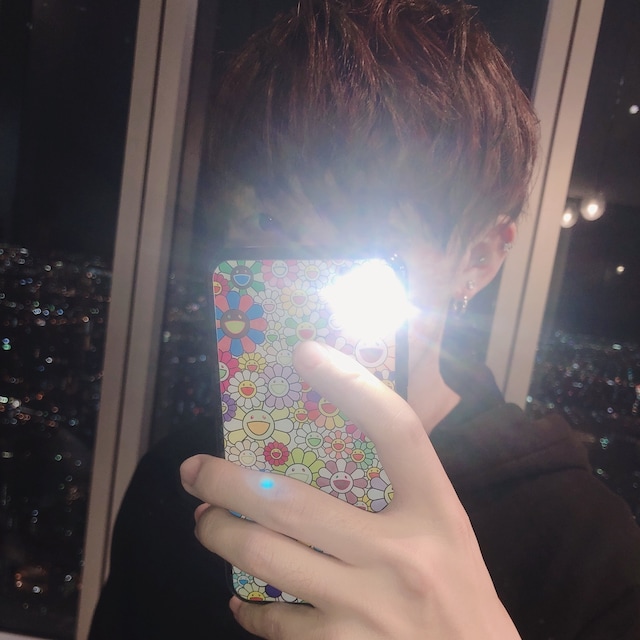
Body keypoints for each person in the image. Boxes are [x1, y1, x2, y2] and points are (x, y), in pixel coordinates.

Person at [89, 1, 640, 639]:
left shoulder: (590, 554)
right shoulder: (181, 477)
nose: (305, 284)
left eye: (367, 237)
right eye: (269, 222)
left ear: (480, 257)